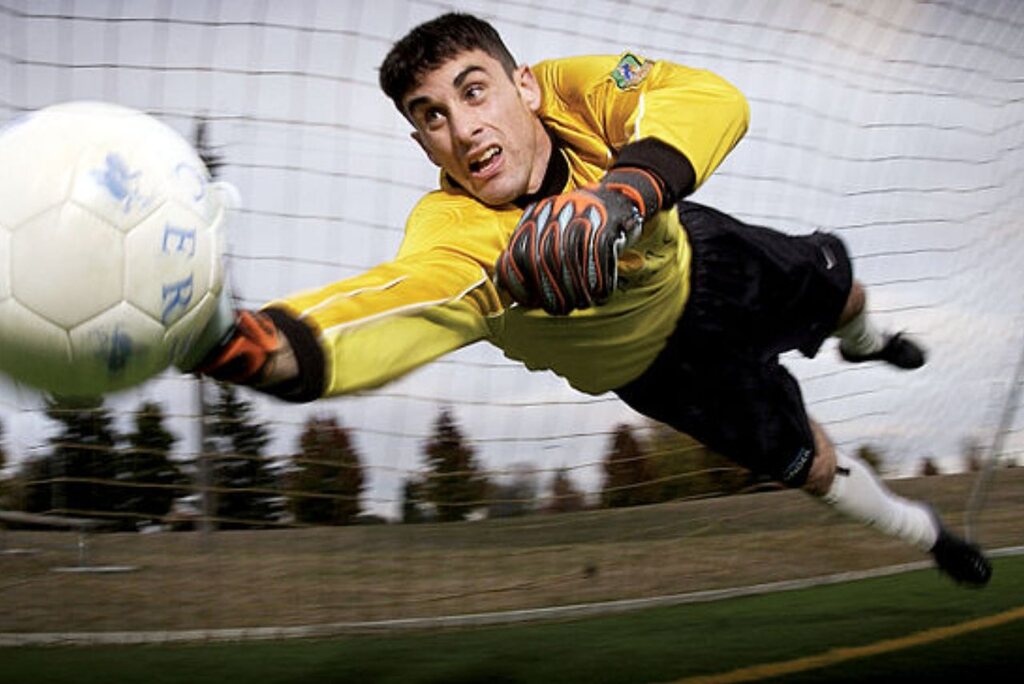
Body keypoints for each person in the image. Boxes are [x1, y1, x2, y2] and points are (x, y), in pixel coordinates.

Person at [193, 13, 991, 586]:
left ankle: (863, 339)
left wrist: (623, 193)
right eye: (431, 116)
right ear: (420, 143)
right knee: (811, 465)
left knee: (841, 286)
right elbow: (392, 304)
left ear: (525, 87)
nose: (463, 129)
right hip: (663, 371)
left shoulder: (583, 91)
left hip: (704, 258)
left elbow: (708, 98)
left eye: (474, 92)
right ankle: (928, 535)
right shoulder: (454, 231)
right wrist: (254, 345)